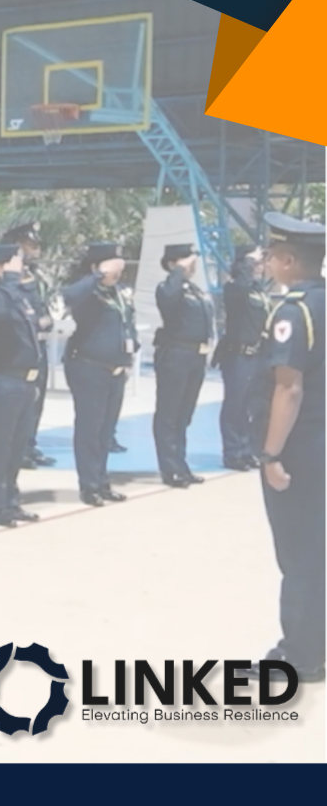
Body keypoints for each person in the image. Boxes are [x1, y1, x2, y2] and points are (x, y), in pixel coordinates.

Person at [249, 212, 325, 685]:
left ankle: (299, 654)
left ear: (289, 260)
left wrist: (271, 454)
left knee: (300, 552)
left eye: (273, 255)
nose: (268, 262)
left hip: (302, 446)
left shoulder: (294, 311)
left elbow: (288, 388)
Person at [61, 242, 136, 507]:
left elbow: (127, 323)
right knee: (90, 429)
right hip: (89, 367)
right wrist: (97, 275)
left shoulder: (119, 293)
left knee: (106, 430)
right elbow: (69, 297)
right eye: (112, 268)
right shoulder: (87, 291)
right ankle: (89, 485)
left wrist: (130, 353)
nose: (117, 273)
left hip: (116, 369)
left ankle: (102, 480)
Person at [0, 244, 44, 527]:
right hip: (1, 380)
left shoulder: (19, 295)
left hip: (24, 380)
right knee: (0, 445)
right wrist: (11, 281)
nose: (21, 269)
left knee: (17, 446)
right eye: (15, 264)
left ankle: (11, 500)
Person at [153, 243, 214, 488]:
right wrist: (177, 271)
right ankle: (170, 468)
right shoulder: (168, 288)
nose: (192, 265)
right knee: (169, 413)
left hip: (195, 357)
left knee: (184, 414)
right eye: (186, 261)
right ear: (172, 264)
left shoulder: (194, 289)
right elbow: (169, 298)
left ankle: (180, 464)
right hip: (175, 355)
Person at [2, 222, 57, 469]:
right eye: (30, 244)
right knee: (21, 401)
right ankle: (17, 448)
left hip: (39, 345)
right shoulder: (10, 275)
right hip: (21, 345)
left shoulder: (35, 274)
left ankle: (29, 444)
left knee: (37, 399)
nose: (35, 249)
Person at [217, 247, 270, 471]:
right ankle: (233, 452)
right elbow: (240, 288)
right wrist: (248, 261)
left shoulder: (258, 290)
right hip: (238, 355)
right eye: (255, 263)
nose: (259, 267)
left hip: (257, 355)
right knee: (235, 405)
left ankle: (248, 449)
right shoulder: (234, 287)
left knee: (251, 405)